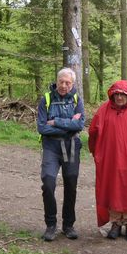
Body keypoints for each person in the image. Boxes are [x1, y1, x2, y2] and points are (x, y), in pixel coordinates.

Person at [88, 80, 127, 241]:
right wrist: (96, 152)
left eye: (122, 94)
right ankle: (115, 222)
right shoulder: (103, 110)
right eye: (116, 94)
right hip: (109, 158)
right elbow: (93, 133)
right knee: (112, 189)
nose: (119, 97)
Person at [37, 68, 86, 241]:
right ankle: (51, 225)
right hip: (51, 146)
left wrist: (56, 121)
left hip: (71, 145)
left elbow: (79, 125)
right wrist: (68, 124)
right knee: (48, 183)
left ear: (72, 84)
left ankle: (68, 225)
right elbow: (42, 127)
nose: (64, 85)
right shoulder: (47, 99)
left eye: (68, 83)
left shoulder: (76, 100)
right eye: (61, 82)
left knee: (71, 184)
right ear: (57, 81)